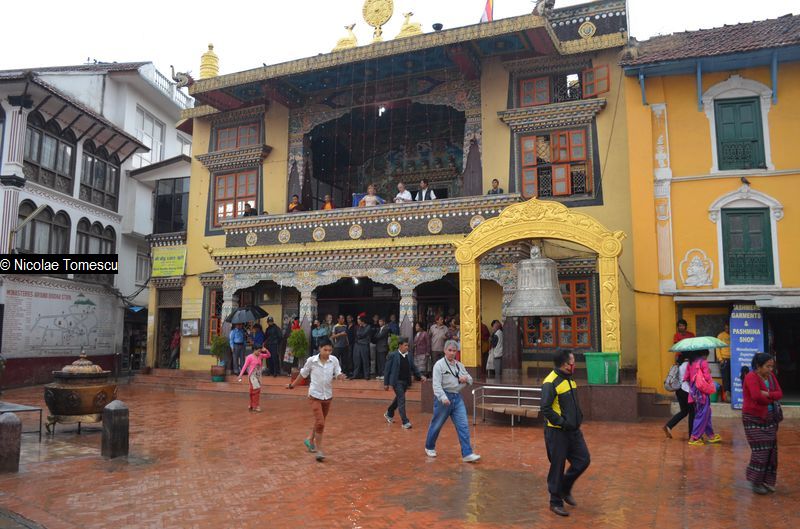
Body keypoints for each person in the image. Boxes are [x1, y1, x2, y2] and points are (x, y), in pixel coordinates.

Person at [541, 350, 590, 517]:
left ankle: (564, 488)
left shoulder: (569, 378)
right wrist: (562, 423)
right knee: (558, 466)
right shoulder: (550, 382)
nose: (574, 365)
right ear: (564, 365)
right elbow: (546, 409)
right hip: (557, 432)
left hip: (574, 431)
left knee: (583, 460)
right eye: (572, 362)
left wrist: (578, 418)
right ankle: (555, 501)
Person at [288, 338, 345, 461]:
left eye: (330, 350)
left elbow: (338, 372)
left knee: (320, 421)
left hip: (327, 396)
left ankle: (309, 439)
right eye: (325, 350)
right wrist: (292, 385)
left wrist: (340, 376)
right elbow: (302, 374)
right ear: (319, 348)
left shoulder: (333, 360)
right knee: (320, 423)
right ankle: (319, 451)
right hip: (314, 396)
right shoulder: (311, 361)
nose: (327, 352)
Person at [425, 340, 480, 463]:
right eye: (449, 350)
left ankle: (467, 453)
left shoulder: (459, 365)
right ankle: (429, 446)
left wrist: (465, 378)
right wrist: (443, 398)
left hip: (457, 398)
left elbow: (470, 379)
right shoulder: (439, 365)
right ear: (445, 351)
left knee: (463, 425)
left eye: (454, 351)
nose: (452, 353)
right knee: (437, 424)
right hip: (443, 399)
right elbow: (436, 385)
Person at [742, 353, 783, 494]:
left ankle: (767, 481)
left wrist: (768, 395)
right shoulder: (751, 377)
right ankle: (755, 481)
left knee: (771, 451)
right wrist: (771, 397)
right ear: (758, 366)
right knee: (760, 451)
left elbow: (779, 393)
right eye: (767, 366)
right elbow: (756, 396)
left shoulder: (771, 377)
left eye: (772, 366)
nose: (770, 369)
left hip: (770, 419)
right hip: (754, 418)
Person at [384, 337, 427, 428]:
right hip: (396, 381)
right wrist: (386, 383)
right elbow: (387, 370)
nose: (407, 347)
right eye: (405, 345)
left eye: (408, 345)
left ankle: (389, 413)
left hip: (405, 382)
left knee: (399, 399)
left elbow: (414, 368)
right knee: (402, 400)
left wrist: (420, 376)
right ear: (400, 346)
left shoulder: (409, 355)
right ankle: (405, 422)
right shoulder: (393, 355)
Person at [686, 350, 721, 446]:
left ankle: (711, 435)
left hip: (694, 393)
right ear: (704, 355)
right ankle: (694, 437)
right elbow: (707, 377)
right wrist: (708, 374)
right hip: (703, 394)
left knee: (705, 413)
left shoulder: (690, 363)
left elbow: (686, 377)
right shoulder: (703, 362)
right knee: (702, 414)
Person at [663, 351, 695, 439]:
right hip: (687, 391)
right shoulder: (688, 365)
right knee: (692, 412)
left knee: (684, 411)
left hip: (679, 391)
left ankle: (669, 425)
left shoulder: (680, 365)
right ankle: (692, 435)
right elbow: (691, 378)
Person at [237, 345, 270, 412]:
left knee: (253, 391)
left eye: (260, 351)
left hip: (258, 375)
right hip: (252, 375)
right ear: (254, 350)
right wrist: (240, 375)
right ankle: (256, 406)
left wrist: (266, 350)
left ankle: (251, 405)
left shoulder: (260, 355)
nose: (259, 352)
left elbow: (268, 355)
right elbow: (245, 366)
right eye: (258, 351)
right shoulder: (249, 357)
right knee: (256, 390)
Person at [351, 315, 372, 380]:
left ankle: (366, 375)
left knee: (365, 360)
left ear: (362, 321)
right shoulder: (358, 327)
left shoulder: (368, 326)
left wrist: (360, 336)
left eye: (359, 320)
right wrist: (360, 336)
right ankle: (355, 374)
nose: (357, 321)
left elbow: (363, 334)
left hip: (364, 345)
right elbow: (357, 334)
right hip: (357, 345)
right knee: (356, 360)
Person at [717, 323, 731, 402]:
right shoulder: (720, 336)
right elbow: (717, 348)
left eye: (729, 328)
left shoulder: (734, 334)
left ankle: (732, 395)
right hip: (724, 359)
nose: (727, 330)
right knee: (725, 378)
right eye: (726, 328)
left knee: (732, 377)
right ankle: (726, 396)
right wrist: (720, 359)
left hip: (733, 360)